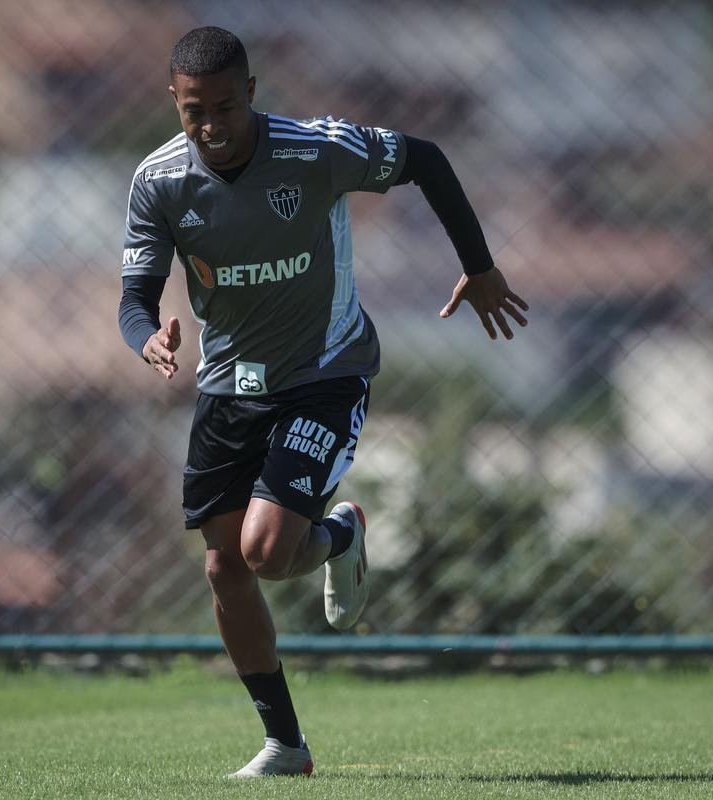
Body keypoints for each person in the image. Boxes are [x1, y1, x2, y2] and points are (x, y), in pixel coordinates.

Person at [118, 26, 528, 778]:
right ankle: (286, 745)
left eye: (223, 108)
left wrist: (479, 266)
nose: (210, 126)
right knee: (224, 570)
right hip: (228, 387)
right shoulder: (159, 180)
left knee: (267, 552)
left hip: (326, 372)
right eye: (192, 111)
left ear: (251, 93)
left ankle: (334, 536)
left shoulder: (315, 150)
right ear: (174, 102)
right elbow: (134, 300)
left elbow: (426, 159)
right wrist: (148, 338)